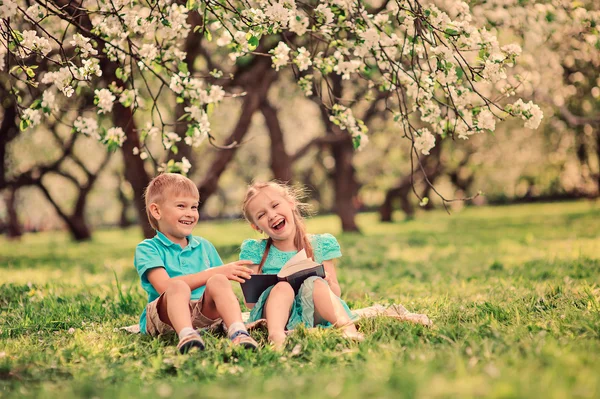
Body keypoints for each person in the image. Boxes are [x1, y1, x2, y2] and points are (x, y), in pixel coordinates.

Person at [134, 173, 258, 354]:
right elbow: (163, 287)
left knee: (219, 281)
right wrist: (212, 272)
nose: (190, 213)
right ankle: (186, 335)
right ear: (156, 211)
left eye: (194, 207)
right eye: (181, 206)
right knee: (178, 286)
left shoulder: (204, 246)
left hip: (204, 315)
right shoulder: (148, 248)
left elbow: (219, 282)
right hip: (166, 317)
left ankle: (238, 332)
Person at [240, 181, 363, 349]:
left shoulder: (320, 244)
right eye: (261, 215)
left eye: (275, 205)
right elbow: (251, 303)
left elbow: (336, 293)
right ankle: (276, 336)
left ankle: (347, 326)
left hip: (313, 312)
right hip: (276, 314)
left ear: (291, 203)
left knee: (317, 283)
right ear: (256, 226)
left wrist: (328, 282)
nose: (272, 215)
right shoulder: (255, 250)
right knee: (282, 288)